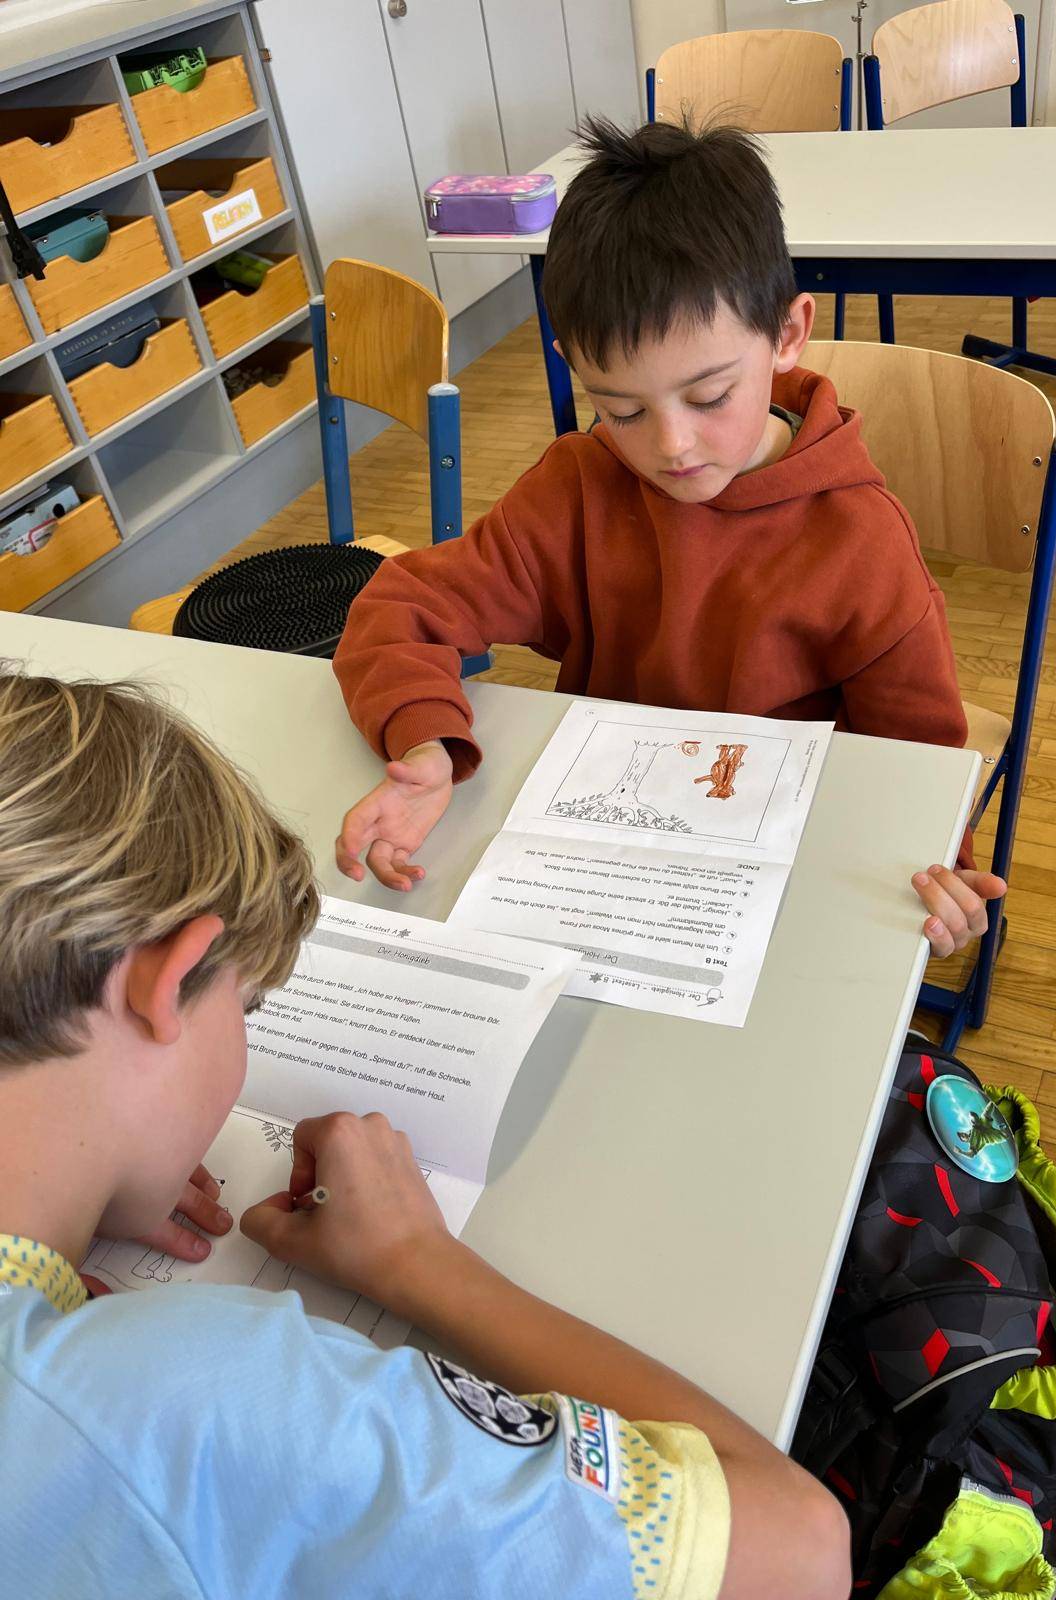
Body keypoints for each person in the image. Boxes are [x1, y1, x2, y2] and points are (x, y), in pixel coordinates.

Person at [0, 669, 849, 1600]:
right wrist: (417, 1260)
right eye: (247, 1005)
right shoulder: (189, 1401)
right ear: (172, 981)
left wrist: (76, 1184)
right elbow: (801, 1549)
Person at [333, 116, 1004, 960]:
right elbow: (402, 606)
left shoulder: (862, 543)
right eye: (621, 409)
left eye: (710, 396)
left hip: (772, 870)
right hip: (607, 860)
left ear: (788, 334)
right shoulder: (577, 488)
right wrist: (424, 744)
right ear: (574, 367)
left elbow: (914, 765)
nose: (671, 446)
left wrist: (942, 874)